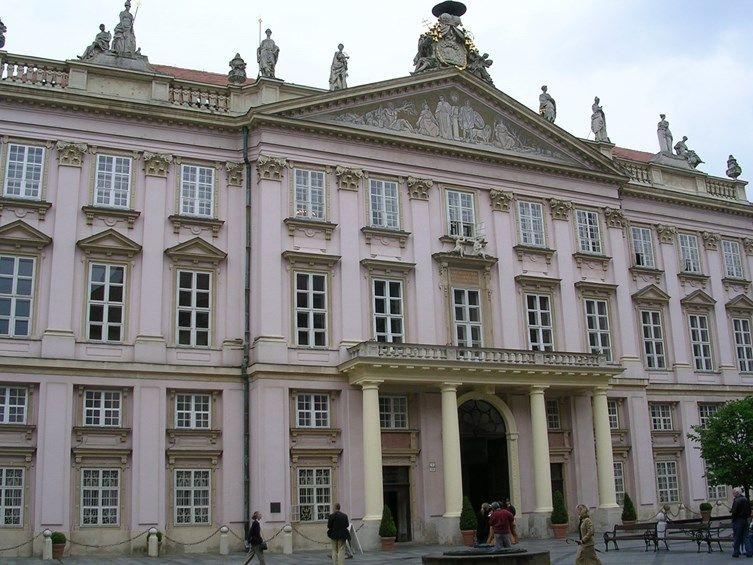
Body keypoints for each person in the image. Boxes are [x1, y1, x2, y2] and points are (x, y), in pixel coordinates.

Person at [731, 488, 752, 558]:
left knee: (737, 537)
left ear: (737, 493)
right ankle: (749, 552)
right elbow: (749, 510)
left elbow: (734, 512)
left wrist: (733, 518)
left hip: (738, 520)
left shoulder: (736, 500)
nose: (733, 494)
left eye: (733, 493)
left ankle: (736, 552)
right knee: (746, 537)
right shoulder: (746, 499)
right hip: (745, 520)